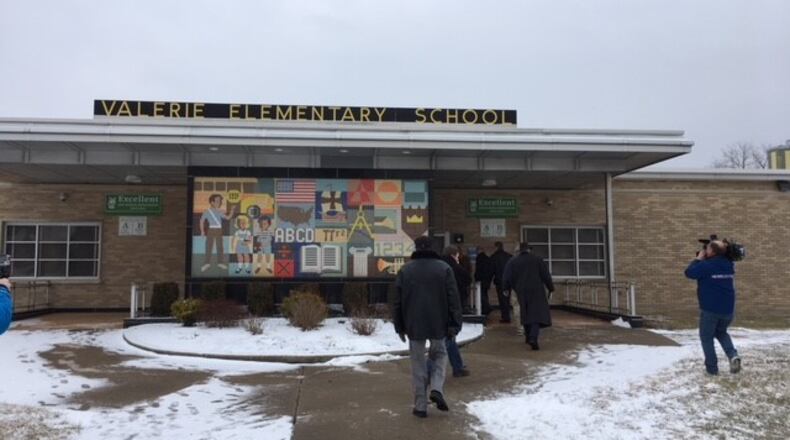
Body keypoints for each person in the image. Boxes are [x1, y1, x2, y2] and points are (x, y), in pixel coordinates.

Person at [393, 236, 463, 418]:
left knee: (418, 364)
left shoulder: (405, 270)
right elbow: (453, 298)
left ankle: (420, 406)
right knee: (440, 355)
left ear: (415, 248)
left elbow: (397, 302)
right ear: (432, 248)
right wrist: (455, 323)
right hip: (439, 322)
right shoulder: (444, 268)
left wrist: (399, 326)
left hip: (414, 324)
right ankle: (437, 389)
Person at [684, 240, 742, 376]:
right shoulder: (729, 264)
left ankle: (712, 369)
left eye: (707, 248)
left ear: (713, 252)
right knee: (721, 332)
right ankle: (732, 355)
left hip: (710, 309)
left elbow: (689, 273)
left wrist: (697, 259)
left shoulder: (706, 265)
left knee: (706, 337)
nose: (705, 250)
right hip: (728, 309)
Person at [503, 242, 554, 350]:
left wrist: (506, 288)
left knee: (525, 312)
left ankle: (527, 337)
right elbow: (546, 275)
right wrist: (551, 288)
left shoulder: (513, 261)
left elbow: (507, 276)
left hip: (521, 290)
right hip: (537, 290)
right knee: (536, 314)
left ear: (520, 250)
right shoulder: (537, 259)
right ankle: (533, 338)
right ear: (529, 250)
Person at [441, 246, 472, 377]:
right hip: (452, 305)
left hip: (438, 305)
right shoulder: (455, 267)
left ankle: (458, 366)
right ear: (454, 255)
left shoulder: (438, 266)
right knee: (447, 339)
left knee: (449, 338)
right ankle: (429, 370)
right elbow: (467, 279)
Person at [199, 194, 237, 272]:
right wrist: (202, 231)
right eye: (217, 201)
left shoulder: (219, 211)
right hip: (211, 230)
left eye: (220, 201)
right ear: (212, 202)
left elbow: (228, 218)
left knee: (220, 246)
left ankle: (220, 262)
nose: (219, 203)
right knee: (208, 246)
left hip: (219, 230)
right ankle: (207, 263)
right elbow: (201, 221)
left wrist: (232, 210)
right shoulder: (207, 211)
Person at [490, 241, 513, 323]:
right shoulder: (509, 256)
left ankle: (505, 316)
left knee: (502, 299)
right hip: (508, 281)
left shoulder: (494, 257)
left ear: (496, 247)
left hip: (499, 282)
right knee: (507, 298)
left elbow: (491, 270)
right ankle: (507, 315)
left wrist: (488, 281)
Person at [474, 245, 494, 316]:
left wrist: (476, 278)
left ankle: (486, 307)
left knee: (482, 295)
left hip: (481, 279)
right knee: (484, 294)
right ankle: (486, 307)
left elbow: (478, 270)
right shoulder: (487, 258)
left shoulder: (479, 258)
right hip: (487, 280)